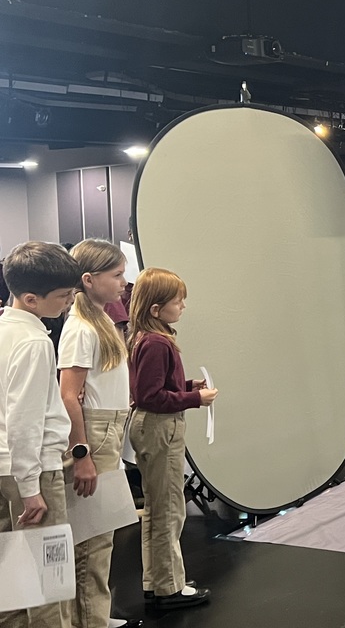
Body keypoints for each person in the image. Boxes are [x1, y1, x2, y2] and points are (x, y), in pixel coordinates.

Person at [58, 240, 139, 628]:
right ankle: (90, 618)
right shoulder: (81, 328)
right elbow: (69, 395)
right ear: (89, 280)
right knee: (93, 535)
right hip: (96, 431)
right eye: (117, 275)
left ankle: (93, 614)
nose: (124, 282)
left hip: (108, 428)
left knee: (101, 532)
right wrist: (82, 453)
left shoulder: (102, 321)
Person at [0, 242, 79, 628]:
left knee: (10, 579)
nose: (67, 303)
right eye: (64, 296)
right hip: (33, 471)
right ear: (31, 299)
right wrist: (31, 485)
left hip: (7, 467)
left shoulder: (4, 329)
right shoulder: (34, 341)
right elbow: (25, 418)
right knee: (48, 580)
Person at [128, 267, 217, 609]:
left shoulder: (147, 338)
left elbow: (152, 388)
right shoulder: (156, 342)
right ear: (156, 308)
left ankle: (159, 580)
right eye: (177, 301)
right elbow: (151, 396)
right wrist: (196, 398)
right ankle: (168, 588)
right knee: (168, 509)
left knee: (158, 508)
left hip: (152, 426)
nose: (182, 306)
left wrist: (185, 387)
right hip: (160, 427)